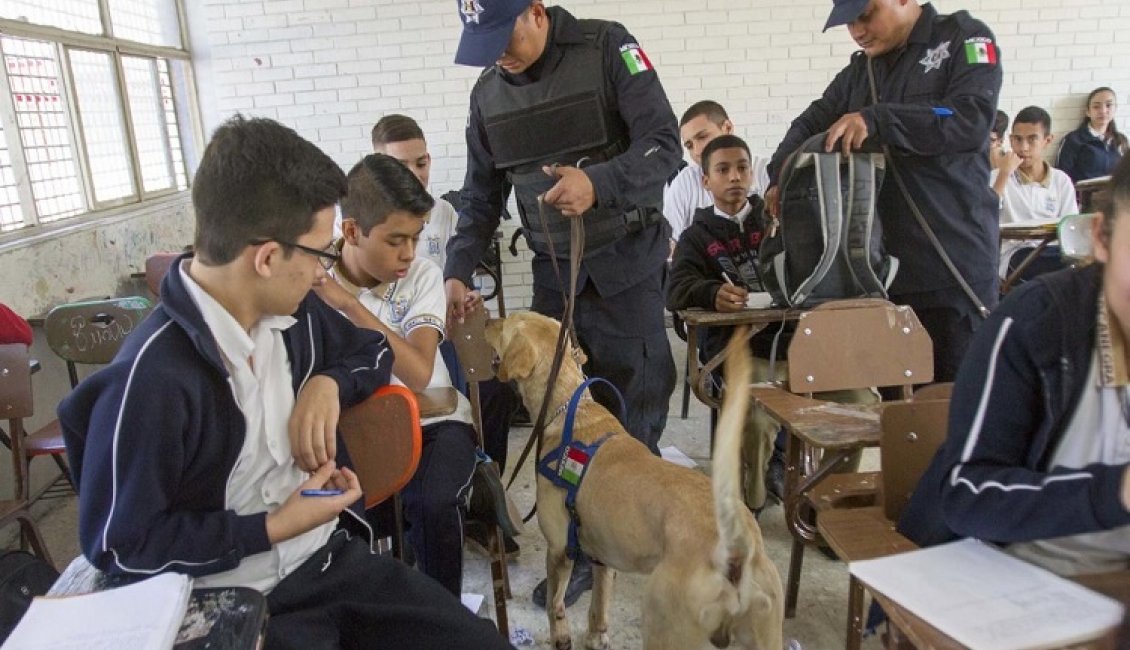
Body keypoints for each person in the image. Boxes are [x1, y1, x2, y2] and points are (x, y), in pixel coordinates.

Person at [57, 115, 514, 650]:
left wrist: (328, 383)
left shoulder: (297, 317)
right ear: (268, 259)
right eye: (321, 254)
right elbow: (121, 545)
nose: (326, 272)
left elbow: (368, 351)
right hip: (227, 597)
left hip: (325, 564)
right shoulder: (154, 377)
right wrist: (272, 526)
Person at [446, 0, 682, 609]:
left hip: (626, 269)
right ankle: (580, 550)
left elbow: (664, 144)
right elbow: (479, 197)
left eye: (504, 34)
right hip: (555, 279)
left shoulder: (607, 48)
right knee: (562, 427)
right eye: (484, 41)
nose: (497, 53)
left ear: (535, 10)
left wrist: (598, 181)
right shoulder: (487, 96)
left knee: (634, 418)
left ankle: (648, 538)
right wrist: (456, 269)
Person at [899, 153, 1130, 578]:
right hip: (1016, 576)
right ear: (1101, 237)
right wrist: (1115, 491)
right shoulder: (1034, 324)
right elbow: (967, 495)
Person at [766, 0, 1003, 383]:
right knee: (896, 417)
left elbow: (968, 117)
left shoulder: (963, 39)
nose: (857, 31)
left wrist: (880, 119)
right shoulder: (861, 73)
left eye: (866, 15)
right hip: (885, 275)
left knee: (956, 406)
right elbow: (811, 120)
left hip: (954, 265)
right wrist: (779, 174)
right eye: (848, 22)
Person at [314, 153, 480, 597]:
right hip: (355, 436)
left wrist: (348, 304)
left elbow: (420, 372)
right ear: (351, 231)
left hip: (434, 425)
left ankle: (442, 614)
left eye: (416, 237)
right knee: (334, 518)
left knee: (432, 503)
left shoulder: (421, 275)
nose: (409, 253)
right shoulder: (313, 278)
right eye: (394, 241)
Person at [663, 100, 771, 248]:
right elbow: (669, 245)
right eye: (689, 145)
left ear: (727, 128)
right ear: (705, 181)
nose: (697, 151)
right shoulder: (683, 184)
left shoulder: (767, 170)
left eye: (702, 137)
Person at [991, 106, 1078, 282]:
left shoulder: (1061, 180)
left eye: (1032, 139)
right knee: (1070, 268)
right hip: (1014, 255)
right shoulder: (997, 177)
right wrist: (1004, 174)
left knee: (1081, 262)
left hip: (1052, 251)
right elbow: (985, 215)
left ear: (1047, 140)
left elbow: (1071, 228)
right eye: (1018, 139)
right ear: (1010, 140)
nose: (1023, 147)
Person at [1057, 87, 1129, 184]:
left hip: (1115, 197)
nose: (1103, 111)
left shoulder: (1121, 141)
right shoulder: (1074, 139)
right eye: (1096, 107)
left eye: (1108, 105)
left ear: (1115, 109)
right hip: (1084, 196)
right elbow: (1062, 176)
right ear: (1087, 111)